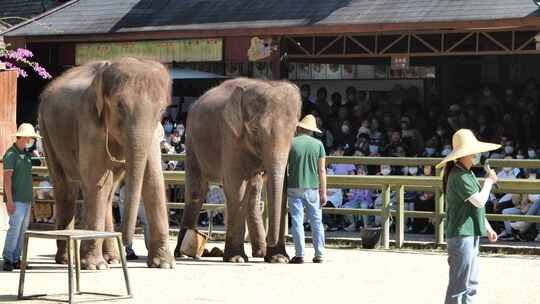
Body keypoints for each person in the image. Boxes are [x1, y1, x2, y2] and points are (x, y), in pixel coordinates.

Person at [437, 129, 499, 304]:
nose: (477, 155)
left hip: (469, 232)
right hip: (461, 234)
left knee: (470, 282)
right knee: (460, 285)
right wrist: (489, 181)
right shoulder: (460, 175)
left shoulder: (466, 173)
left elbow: (474, 206)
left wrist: (487, 227)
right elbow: (479, 201)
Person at [287, 114, 327, 264]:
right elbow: (322, 170)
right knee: (316, 221)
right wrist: (323, 192)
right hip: (312, 187)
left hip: (294, 186)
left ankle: (300, 254)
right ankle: (319, 254)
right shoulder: (318, 145)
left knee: (297, 220)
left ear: (299, 128)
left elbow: (285, 167)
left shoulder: (291, 143)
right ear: (312, 130)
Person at [2, 124, 41, 271]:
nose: (30, 140)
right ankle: (8, 258)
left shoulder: (26, 155)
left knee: (22, 231)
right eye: (29, 138)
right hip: (16, 199)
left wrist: (32, 199)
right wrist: (9, 201)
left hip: (26, 199)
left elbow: (27, 178)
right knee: (15, 229)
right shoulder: (11, 155)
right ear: (23, 137)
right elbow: (7, 179)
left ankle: (16, 258)